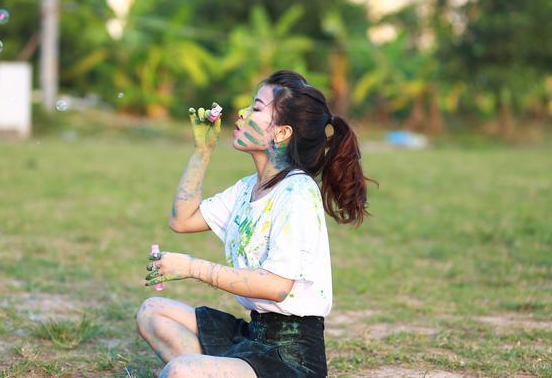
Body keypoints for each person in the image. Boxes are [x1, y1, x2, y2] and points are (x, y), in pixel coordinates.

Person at [136, 70, 376, 378]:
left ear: (281, 133)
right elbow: (182, 220)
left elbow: (276, 287)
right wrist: (202, 151)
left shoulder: (297, 192)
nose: (242, 113)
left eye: (257, 108)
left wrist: (192, 267)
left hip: (292, 357)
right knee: (153, 312)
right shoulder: (247, 188)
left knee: (182, 371)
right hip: (254, 335)